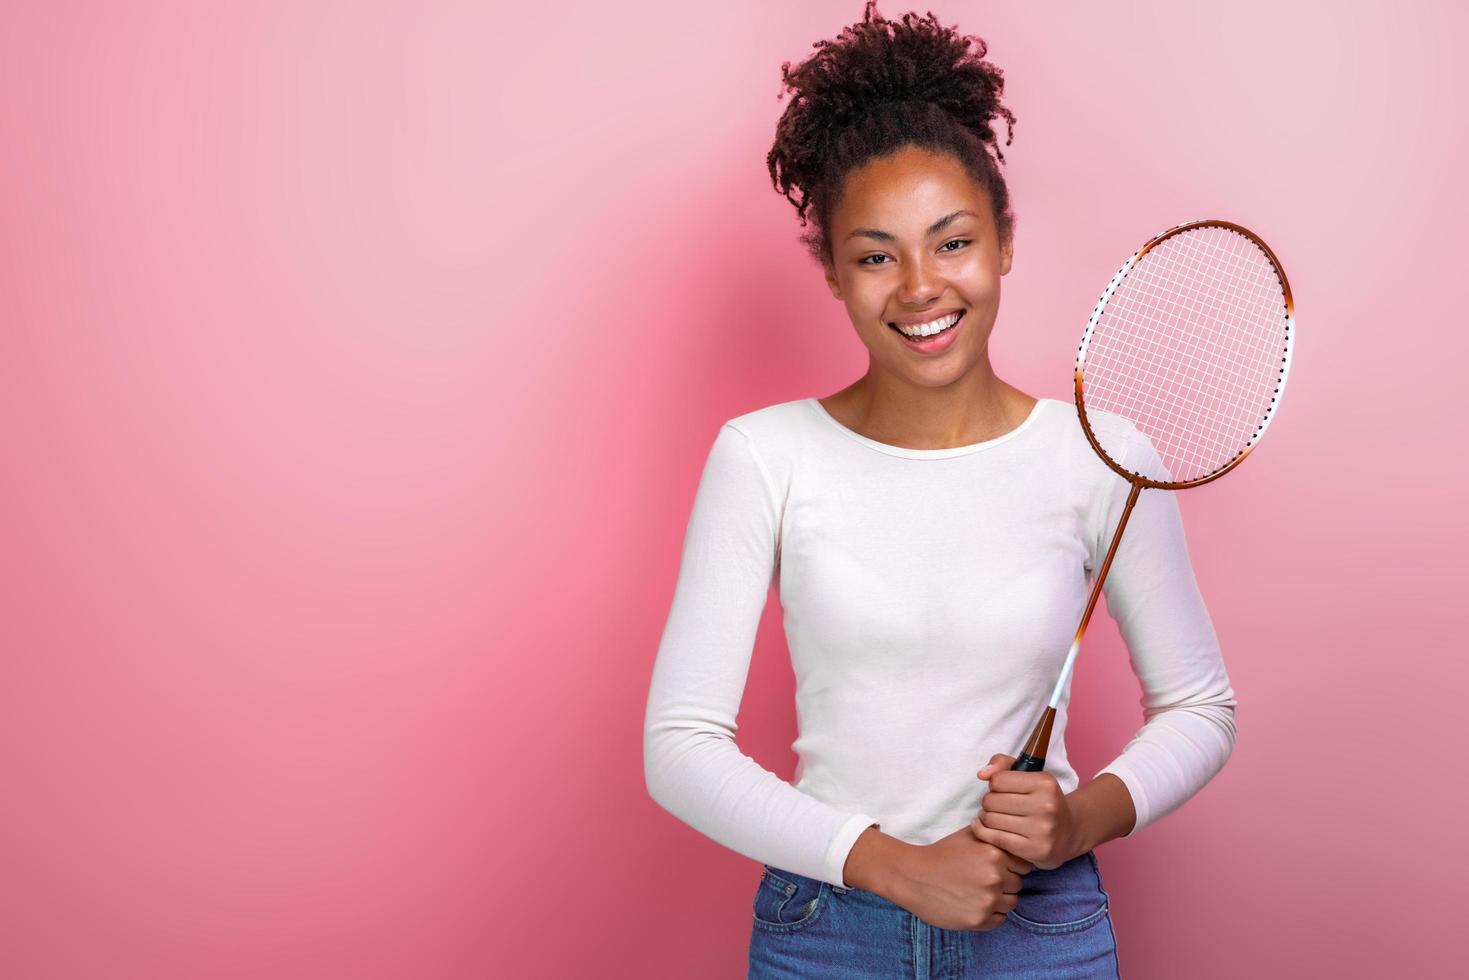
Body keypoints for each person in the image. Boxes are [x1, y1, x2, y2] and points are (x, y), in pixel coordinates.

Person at [642, 3, 1237, 976]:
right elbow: (679, 746)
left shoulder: (1101, 455)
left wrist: (1076, 815)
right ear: (832, 273)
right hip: (826, 930)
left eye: (950, 241)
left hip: (1039, 926)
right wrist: (892, 865)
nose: (919, 286)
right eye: (875, 255)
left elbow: (1198, 706)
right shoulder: (763, 455)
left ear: (1003, 242)